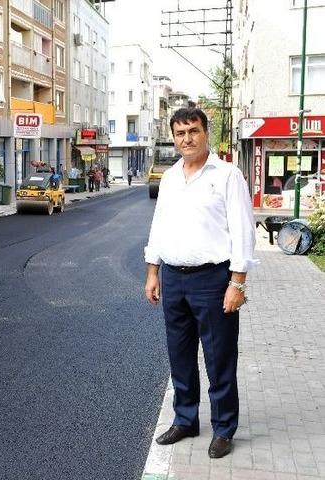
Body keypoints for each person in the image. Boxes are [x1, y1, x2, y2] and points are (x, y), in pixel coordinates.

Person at [143, 108, 256, 460]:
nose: (186, 139)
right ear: (173, 138)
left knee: (219, 358)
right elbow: (159, 225)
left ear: (206, 132)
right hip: (174, 279)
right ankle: (186, 419)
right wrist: (152, 271)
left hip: (213, 279)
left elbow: (243, 231)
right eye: (179, 133)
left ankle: (223, 429)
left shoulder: (227, 175)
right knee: (179, 356)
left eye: (193, 131)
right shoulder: (171, 177)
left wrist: (237, 283)